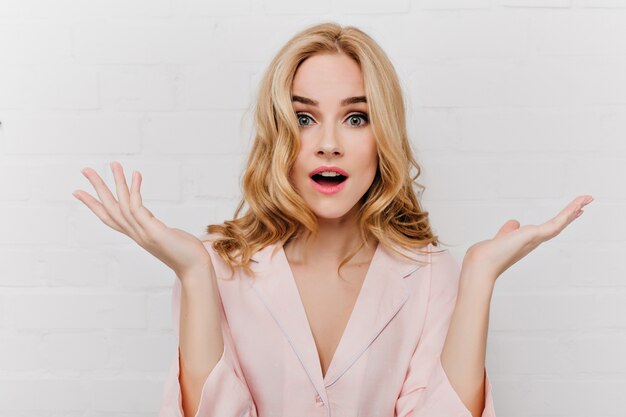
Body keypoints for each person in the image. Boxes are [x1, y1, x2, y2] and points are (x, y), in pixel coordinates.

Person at [72, 22, 593, 417]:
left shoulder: (431, 273)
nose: (327, 143)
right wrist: (191, 272)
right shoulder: (216, 267)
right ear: (279, 135)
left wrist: (479, 275)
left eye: (356, 117)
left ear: (382, 134)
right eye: (303, 118)